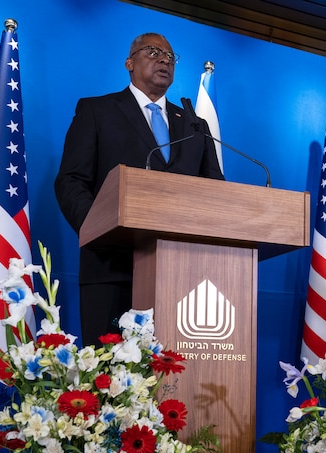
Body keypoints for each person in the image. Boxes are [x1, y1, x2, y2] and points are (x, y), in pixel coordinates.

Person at [55, 32, 224, 346]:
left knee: (174, 380)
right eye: (153, 51)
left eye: (170, 56)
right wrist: (98, 228)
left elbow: (215, 192)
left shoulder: (194, 125)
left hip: (182, 278)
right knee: (111, 384)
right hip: (111, 270)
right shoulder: (97, 111)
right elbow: (71, 181)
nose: (164, 59)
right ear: (129, 63)